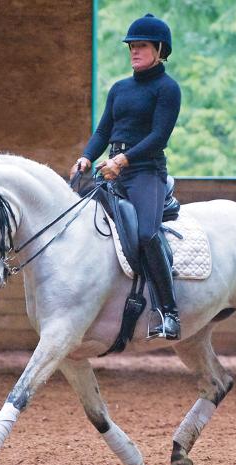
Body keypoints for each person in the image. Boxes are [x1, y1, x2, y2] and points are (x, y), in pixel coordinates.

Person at [70, 13, 182, 340]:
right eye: (131, 46)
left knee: (146, 234)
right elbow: (104, 129)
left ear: (160, 50)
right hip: (111, 171)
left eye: (141, 46)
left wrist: (123, 159)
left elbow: (159, 136)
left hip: (145, 172)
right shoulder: (119, 89)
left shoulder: (167, 89)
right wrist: (86, 156)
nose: (134, 51)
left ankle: (169, 313)